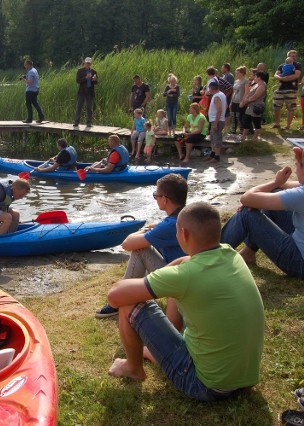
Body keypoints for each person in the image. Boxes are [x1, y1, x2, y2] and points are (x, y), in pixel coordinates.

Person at [106, 202, 264, 402]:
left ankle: (133, 368)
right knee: (176, 287)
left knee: (129, 303)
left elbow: (115, 295)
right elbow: (185, 262)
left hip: (206, 385)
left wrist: (165, 277)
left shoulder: (185, 276)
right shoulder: (231, 254)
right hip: (245, 377)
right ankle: (168, 342)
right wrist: (172, 271)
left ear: (184, 234)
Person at [95, 173, 188, 318]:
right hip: (186, 273)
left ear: (165, 199)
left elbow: (127, 244)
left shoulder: (170, 225)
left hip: (178, 280)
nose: (156, 198)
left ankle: (121, 299)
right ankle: (130, 294)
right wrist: (155, 229)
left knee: (140, 249)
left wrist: (142, 230)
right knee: (145, 245)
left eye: (156, 195)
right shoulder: (185, 215)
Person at [221, 146, 304, 278]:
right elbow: (282, 187)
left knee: (246, 215)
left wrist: (275, 182)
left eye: (298, 165)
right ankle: (248, 253)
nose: (296, 170)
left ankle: (207, 256)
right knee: (272, 196)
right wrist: (276, 185)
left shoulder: (301, 195)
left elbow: (246, 198)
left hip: (299, 263)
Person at [273, 50, 302, 130]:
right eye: (291, 56)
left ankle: (288, 125)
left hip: (291, 89)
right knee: (276, 106)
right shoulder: (281, 65)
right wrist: (281, 78)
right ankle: (277, 123)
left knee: (291, 107)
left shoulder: (297, 65)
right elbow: (275, 75)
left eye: (294, 56)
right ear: (287, 56)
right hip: (280, 88)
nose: (293, 57)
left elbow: (296, 75)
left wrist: (286, 79)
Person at [240, 68, 267, 141]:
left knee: (256, 122)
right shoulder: (256, 84)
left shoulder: (262, 85)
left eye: (255, 76)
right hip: (250, 105)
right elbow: (250, 92)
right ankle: (243, 136)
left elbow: (256, 96)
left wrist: (246, 101)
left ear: (259, 77)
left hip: (256, 106)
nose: (254, 78)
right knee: (246, 120)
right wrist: (245, 100)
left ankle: (255, 137)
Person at [73, 57, 98, 127]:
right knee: (79, 107)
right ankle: (76, 122)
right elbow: (78, 80)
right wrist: (86, 77)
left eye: (89, 63)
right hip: (82, 92)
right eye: (87, 63)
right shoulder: (80, 71)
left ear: (91, 64)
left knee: (90, 108)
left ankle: (88, 122)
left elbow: (96, 82)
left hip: (90, 92)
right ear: (84, 63)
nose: (88, 65)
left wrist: (94, 80)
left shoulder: (94, 72)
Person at [206, 81, 227, 163]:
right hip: (215, 119)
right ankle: (213, 154)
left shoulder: (217, 96)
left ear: (211, 88)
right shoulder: (221, 94)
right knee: (212, 138)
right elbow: (225, 106)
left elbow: (219, 110)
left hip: (217, 120)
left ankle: (217, 156)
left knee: (217, 138)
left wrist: (215, 123)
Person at [21, 59, 45, 124]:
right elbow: (33, 79)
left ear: (28, 65)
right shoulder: (34, 70)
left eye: (25, 65)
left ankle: (29, 119)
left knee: (28, 104)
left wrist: (24, 80)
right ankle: (41, 117)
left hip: (30, 90)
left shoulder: (31, 72)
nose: (25, 66)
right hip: (35, 89)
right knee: (35, 103)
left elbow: (30, 82)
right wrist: (26, 77)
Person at [230, 66, 248, 135]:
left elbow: (246, 92)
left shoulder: (245, 81)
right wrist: (231, 102)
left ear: (242, 73)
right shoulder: (236, 81)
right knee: (233, 116)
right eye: (236, 73)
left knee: (239, 116)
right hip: (234, 100)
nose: (236, 75)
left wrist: (243, 101)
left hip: (240, 101)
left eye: (237, 73)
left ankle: (241, 130)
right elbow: (233, 91)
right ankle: (233, 130)